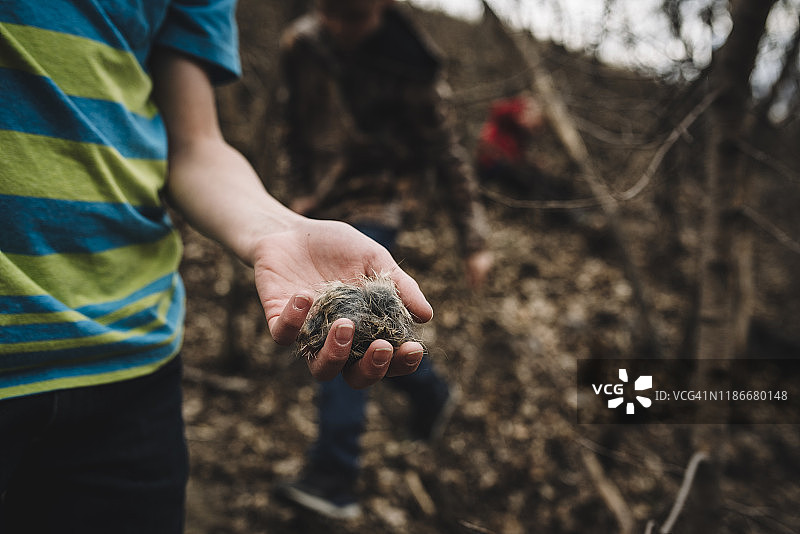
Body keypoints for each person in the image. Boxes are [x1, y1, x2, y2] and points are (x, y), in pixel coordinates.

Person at [0, 1, 433, 532]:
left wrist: (278, 227)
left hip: (132, 369)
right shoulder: (306, 44)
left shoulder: (403, 57)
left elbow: (196, 144)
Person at [275, 0, 493, 520]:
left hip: (377, 204)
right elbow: (294, 128)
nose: (343, 28)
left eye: (356, 18)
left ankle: (335, 476)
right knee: (357, 331)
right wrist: (295, 197)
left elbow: (446, 151)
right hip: (318, 207)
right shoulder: (301, 45)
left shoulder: (411, 61)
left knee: (345, 332)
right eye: (334, 14)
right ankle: (432, 391)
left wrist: (474, 240)